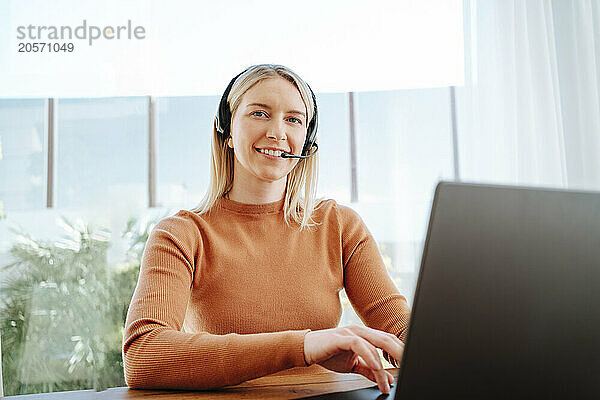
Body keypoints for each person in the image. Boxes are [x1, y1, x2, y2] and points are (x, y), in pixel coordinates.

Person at [122, 64, 411, 395]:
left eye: (294, 119)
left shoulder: (339, 225)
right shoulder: (182, 234)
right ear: (227, 131)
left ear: (308, 139)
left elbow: (401, 332)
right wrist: (302, 346)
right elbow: (144, 356)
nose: (278, 132)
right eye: (260, 113)